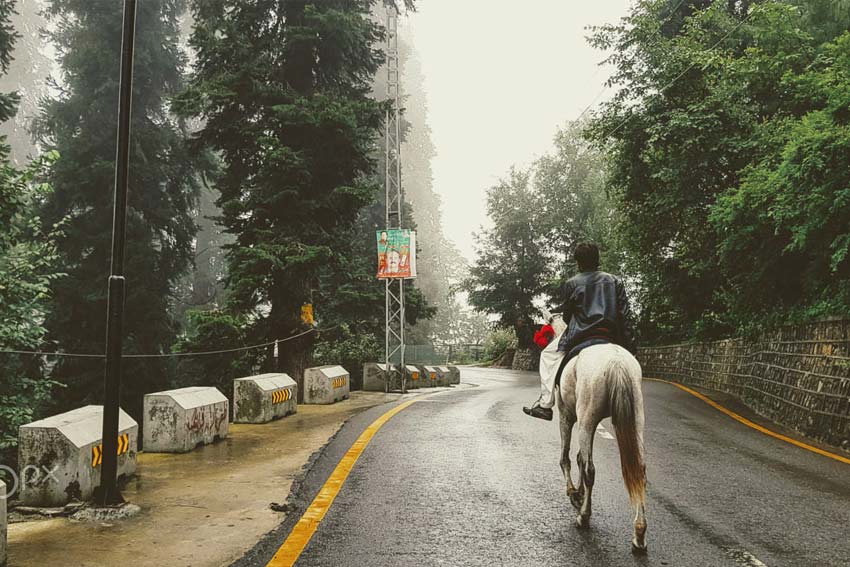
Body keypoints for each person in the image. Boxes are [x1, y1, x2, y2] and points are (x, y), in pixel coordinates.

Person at [523, 242, 637, 421]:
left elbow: (568, 318)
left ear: (579, 263)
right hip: (611, 336)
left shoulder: (572, 283)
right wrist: (631, 350)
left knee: (547, 355)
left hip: (581, 335)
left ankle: (545, 404)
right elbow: (625, 316)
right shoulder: (615, 281)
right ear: (598, 259)